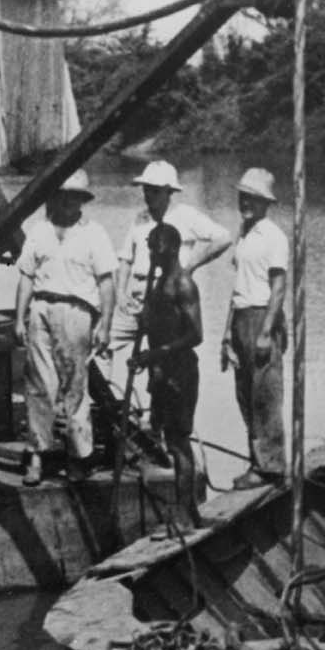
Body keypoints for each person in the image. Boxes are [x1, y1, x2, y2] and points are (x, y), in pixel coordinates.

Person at [14, 170, 116, 486]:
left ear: (82, 200)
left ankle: (77, 456)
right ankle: (36, 454)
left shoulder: (95, 233)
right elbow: (26, 276)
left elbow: (107, 283)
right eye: (62, 195)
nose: (68, 202)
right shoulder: (39, 231)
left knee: (75, 386)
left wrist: (105, 326)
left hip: (77, 311)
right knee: (39, 384)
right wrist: (19, 318)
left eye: (74, 197)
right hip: (41, 308)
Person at [108, 160, 230, 389]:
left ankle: (166, 403)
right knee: (103, 340)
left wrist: (190, 266)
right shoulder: (140, 218)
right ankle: (108, 401)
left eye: (155, 191)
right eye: (146, 190)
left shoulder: (186, 215)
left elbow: (223, 238)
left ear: (169, 192)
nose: (148, 195)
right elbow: (125, 258)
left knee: (164, 361)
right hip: (137, 297)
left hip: (168, 297)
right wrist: (121, 293)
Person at [128, 222, 206, 527]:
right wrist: (144, 354)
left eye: (156, 248)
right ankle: (179, 509)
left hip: (180, 373)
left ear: (172, 247)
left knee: (178, 441)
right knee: (162, 436)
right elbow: (158, 326)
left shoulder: (183, 285)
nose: (152, 254)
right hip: (160, 373)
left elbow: (195, 334)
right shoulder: (159, 284)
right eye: (149, 248)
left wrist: (157, 353)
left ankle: (186, 513)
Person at [221, 167, 289, 489]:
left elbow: (279, 287)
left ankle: (271, 465)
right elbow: (238, 287)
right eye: (243, 196)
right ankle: (256, 461)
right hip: (241, 316)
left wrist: (266, 331)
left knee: (265, 393)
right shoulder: (244, 234)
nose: (245, 203)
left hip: (262, 316)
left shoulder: (274, 236)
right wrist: (226, 334)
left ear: (265, 203)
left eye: (253, 198)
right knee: (245, 393)